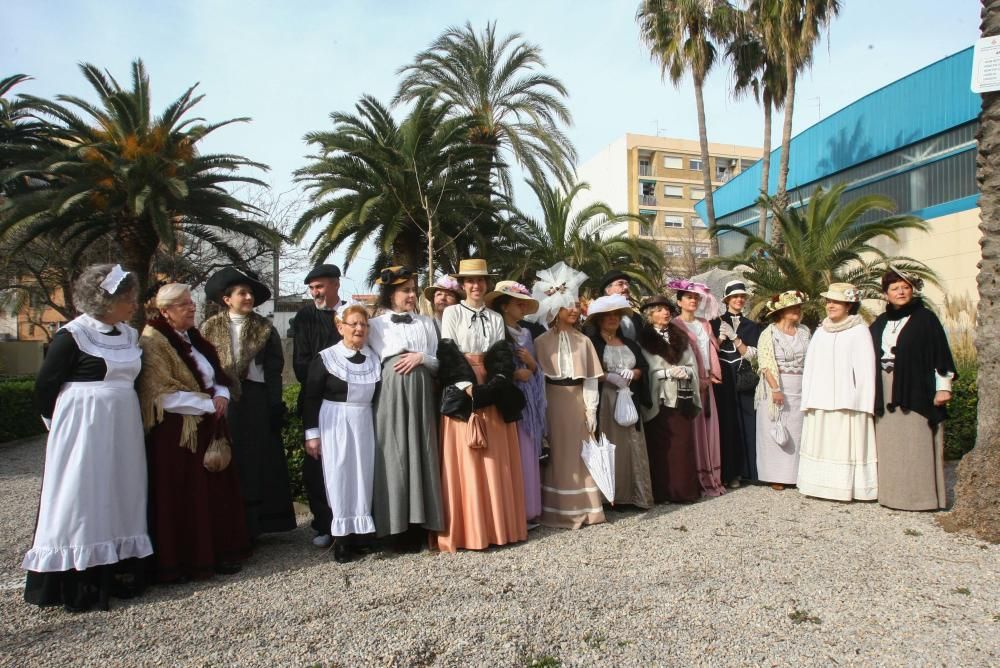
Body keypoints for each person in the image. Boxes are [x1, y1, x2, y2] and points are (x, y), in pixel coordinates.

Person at [24, 264, 152, 611]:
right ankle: (77, 581)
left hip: (123, 423)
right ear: (105, 300)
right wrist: (59, 425)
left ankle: (119, 571)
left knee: (122, 490)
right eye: (128, 298)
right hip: (83, 425)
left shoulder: (128, 335)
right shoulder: (73, 335)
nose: (134, 305)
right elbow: (46, 385)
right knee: (81, 495)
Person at [138, 283, 250, 582]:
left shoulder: (193, 337)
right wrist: (206, 403)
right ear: (165, 311)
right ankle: (184, 561)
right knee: (185, 496)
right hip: (178, 434)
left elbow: (215, 374)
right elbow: (158, 392)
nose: (192, 307)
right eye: (184, 304)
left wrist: (222, 393)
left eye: (191, 302)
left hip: (207, 426)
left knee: (212, 495)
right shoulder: (154, 341)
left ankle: (215, 553)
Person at [434, 259, 528, 552]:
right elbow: (448, 350)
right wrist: (468, 387)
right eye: (470, 281)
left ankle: (498, 526)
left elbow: (501, 352)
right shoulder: (451, 313)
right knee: (467, 456)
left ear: (486, 284)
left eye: (480, 281)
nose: (476, 286)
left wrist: (497, 381)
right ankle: (468, 530)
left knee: (495, 457)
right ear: (462, 286)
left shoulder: (496, 318)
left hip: (493, 385)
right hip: (463, 385)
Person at [200, 267, 296, 538]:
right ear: (227, 299)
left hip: (256, 399)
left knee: (256, 461)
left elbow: (275, 370)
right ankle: (227, 525)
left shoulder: (264, 329)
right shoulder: (210, 328)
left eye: (251, 293)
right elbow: (203, 367)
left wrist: (275, 404)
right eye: (242, 293)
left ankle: (255, 525)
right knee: (228, 459)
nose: (248, 297)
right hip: (223, 399)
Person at [368, 266, 444, 549]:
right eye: (406, 291)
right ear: (390, 294)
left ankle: (422, 526)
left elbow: (439, 363)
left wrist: (421, 357)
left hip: (422, 395)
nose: (412, 295)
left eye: (414, 289)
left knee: (423, 452)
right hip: (391, 396)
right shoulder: (375, 325)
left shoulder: (427, 324)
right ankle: (394, 529)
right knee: (394, 454)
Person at [870, 268, 956, 511]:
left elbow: (940, 353)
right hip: (885, 389)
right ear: (886, 294)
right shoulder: (880, 322)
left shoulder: (925, 318)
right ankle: (892, 496)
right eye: (895, 288)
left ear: (912, 290)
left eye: (905, 287)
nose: (900, 292)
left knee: (915, 441)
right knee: (890, 444)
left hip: (915, 388)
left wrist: (944, 388)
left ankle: (920, 499)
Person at [302, 305, 380, 563]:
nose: (359, 329)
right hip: (334, 420)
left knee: (362, 476)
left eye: (364, 325)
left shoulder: (373, 358)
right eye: (354, 324)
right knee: (339, 476)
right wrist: (311, 434)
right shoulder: (326, 358)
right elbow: (311, 397)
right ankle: (341, 539)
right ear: (340, 327)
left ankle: (361, 535)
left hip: (364, 421)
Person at [533, 263, 606, 529]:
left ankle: (586, 509)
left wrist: (590, 410)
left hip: (577, 403)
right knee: (557, 455)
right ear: (555, 309)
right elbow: (538, 381)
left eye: (576, 305)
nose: (575, 310)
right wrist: (540, 412)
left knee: (580, 454)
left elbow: (590, 379)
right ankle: (557, 510)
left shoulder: (584, 341)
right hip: (552, 401)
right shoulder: (540, 342)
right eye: (569, 305)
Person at [798, 283, 878, 502]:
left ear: (849, 305)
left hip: (848, 401)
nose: (830, 305)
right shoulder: (820, 332)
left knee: (845, 446)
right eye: (829, 301)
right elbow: (810, 367)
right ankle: (818, 486)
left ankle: (848, 487)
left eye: (836, 302)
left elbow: (866, 370)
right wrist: (808, 399)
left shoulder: (859, 331)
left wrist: (864, 402)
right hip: (820, 400)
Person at [292, 263, 346, 548]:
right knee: (317, 465)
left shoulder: (351, 315)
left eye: (320, 286)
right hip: (316, 399)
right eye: (312, 288)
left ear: (336, 285)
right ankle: (324, 524)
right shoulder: (304, 317)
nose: (315, 292)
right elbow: (300, 363)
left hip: (349, 402)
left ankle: (352, 523)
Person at [485, 280, 546, 523]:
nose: (522, 307)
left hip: (528, 398)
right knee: (512, 452)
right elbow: (489, 365)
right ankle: (512, 510)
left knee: (528, 450)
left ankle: (529, 508)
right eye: (517, 303)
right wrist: (512, 374)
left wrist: (531, 365)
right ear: (504, 306)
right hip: (507, 398)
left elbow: (536, 368)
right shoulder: (496, 332)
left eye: (524, 303)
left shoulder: (527, 332)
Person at [585, 294, 654, 509]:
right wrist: (607, 376)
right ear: (598, 320)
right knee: (609, 443)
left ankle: (635, 494)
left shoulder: (630, 344)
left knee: (631, 444)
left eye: (616, 315)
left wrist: (634, 373)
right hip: (606, 399)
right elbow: (589, 371)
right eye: (608, 315)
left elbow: (643, 367)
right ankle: (609, 495)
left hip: (628, 398)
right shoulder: (592, 344)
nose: (613, 319)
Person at [636, 296, 702, 503]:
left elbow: (693, 366)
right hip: (661, 399)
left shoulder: (680, 337)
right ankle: (663, 491)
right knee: (661, 446)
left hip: (682, 397)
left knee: (683, 444)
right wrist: (663, 374)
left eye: (667, 309)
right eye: (659, 310)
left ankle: (684, 491)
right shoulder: (643, 339)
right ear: (649, 315)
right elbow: (645, 369)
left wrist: (686, 371)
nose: (665, 313)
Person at [668, 279, 726, 497]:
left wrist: (710, 375)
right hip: (688, 382)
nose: (693, 301)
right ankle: (695, 479)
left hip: (707, 381)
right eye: (688, 297)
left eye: (695, 297)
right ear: (679, 301)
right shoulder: (674, 324)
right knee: (692, 431)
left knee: (709, 430)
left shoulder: (705, 323)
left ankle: (713, 477)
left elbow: (711, 350)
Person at [754, 291, 811, 490]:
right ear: (781, 311)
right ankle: (775, 475)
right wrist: (776, 389)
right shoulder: (769, 333)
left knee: (797, 431)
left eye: (798, 307)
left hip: (800, 387)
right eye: (792, 307)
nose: (797, 310)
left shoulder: (804, 331)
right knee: (775, 431)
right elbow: (765, 364)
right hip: (776, 387)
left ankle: (796, 474)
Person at [711, 280, 762, 488]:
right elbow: (707, 353)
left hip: (743, 376)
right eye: (734, 297)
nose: (739, 300)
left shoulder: (752, 326)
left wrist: (736, 338)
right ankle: (729, 472)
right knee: (727, 422)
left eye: (742, 296)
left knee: (748, 420)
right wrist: (720, 338)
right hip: (722, 377)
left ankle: (749, 470)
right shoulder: (714, 323)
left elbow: (754, 356)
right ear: (726, 300)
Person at [597, 270, 641, 340]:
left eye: (627, 284)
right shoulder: (597, 316)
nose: (626, 287)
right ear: (607, 290)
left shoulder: (636, 317)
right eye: (620, 284)